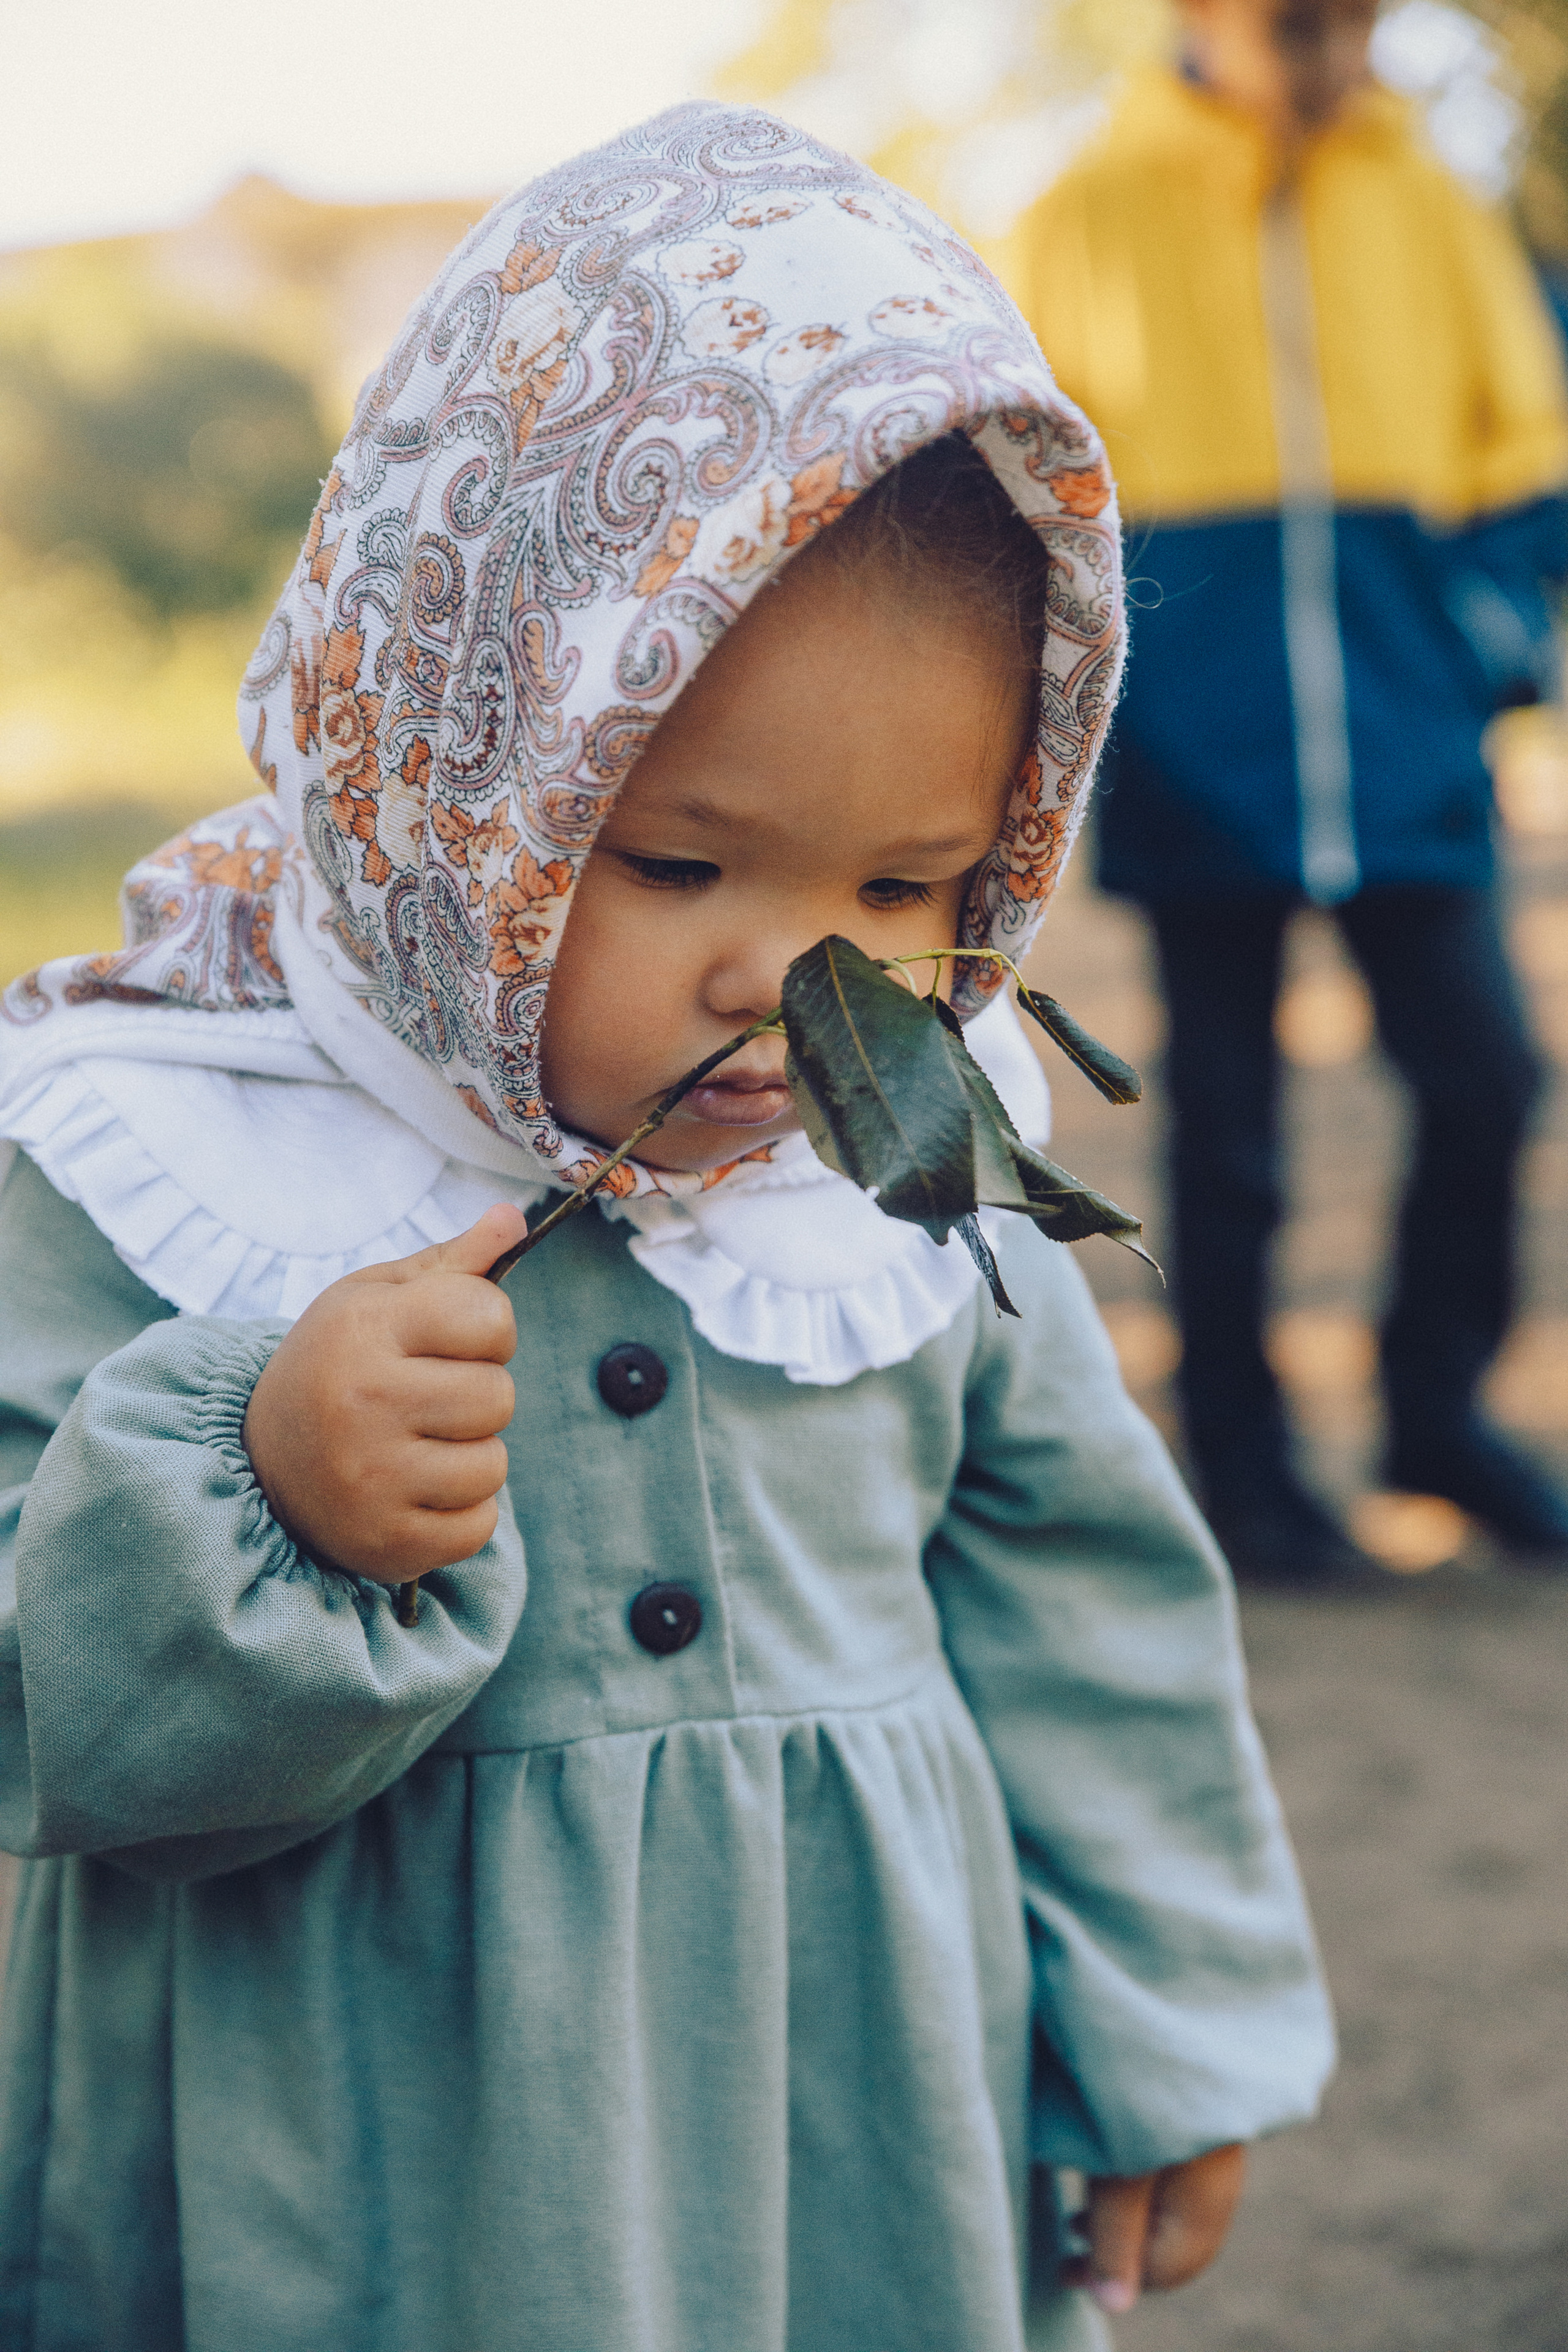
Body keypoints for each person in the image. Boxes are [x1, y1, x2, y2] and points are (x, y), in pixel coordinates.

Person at [0, 105, 1332, 2351]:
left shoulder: (907, 1186)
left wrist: (1173, 2032)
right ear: (449, 764)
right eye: (685, 864)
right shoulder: (159, 1145)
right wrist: (262, 1494)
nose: (789, 981)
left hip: (841, 2147)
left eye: (904, 891)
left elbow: (1082, 1609)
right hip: (333, 2179)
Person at [1016, 0, 1568, 1583]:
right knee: (1231, 1133)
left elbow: (1527, 444)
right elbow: (1024, 476)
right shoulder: (1079, 217)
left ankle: (1439, 1418)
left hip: (1409, 740)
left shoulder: (1426, 198)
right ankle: (1245, 1472)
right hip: (1202, 751)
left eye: (1356, 24)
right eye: (1298, 24)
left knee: (1486, 1079)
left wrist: (1484, 634)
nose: (1333, 54)